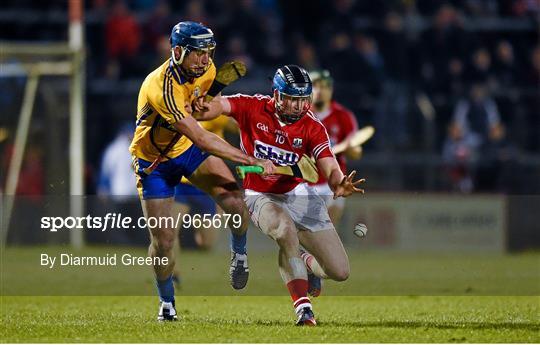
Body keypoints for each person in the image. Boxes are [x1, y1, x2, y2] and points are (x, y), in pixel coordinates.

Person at [195, 65, 365, 325]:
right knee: (285, 231)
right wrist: (208, 106)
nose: (298, 107)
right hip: (260, 195)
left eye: (302, 100)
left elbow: (328, 163)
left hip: (299, 193)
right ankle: (303, 308)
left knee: (339, 271)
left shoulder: (312, 127)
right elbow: (219, 107)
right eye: (292, 99)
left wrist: (338, 182)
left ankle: (306, 263)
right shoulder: (252, 107)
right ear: (276, 95)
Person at [129, 21, 274, 321]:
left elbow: (205, 105)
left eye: (208, 52)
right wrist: (249, 159)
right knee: (164, 241)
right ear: (178, 51)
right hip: (153, 164)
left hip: (185, 150)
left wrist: (203, 104)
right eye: (197, 53)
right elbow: (203, 136)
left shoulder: (206, 71)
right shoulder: (160, 85)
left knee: (236, 201)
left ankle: (239, 255)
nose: (205, 59)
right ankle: (166, 303)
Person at [308, 70, 361, 225]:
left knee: (328, 229)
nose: (320, 91)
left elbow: (355, 152)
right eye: (315, 86)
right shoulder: (298, 115)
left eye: (324, 87)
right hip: (305, 184)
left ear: (331, 90)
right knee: (313, 234)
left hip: (334, 182)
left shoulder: (343, 116)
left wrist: (353, 150)